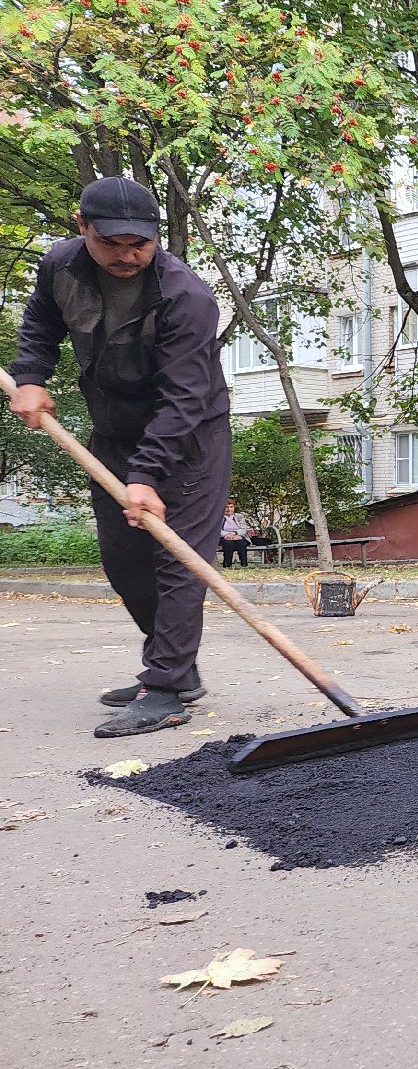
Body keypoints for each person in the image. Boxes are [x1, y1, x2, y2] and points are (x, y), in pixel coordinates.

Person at [6, 177, 229, 738]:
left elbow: (184, 397)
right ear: (83, 227)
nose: (128, 255)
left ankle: (165, 686)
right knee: (124, 561)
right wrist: (30, 379)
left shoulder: (186, 296)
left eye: (141, 243)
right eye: (113, 243)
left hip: (190, 437)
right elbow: (40, 323)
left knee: (177, 562)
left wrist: (148, 475)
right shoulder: (60, 266)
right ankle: (174, 664)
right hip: (113, 432)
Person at [220, 500, 249, 568]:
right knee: (229, 543)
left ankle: (244, 564)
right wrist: (228, 535)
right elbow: (217, 530)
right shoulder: (219, 517)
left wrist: (234, 533)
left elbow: (243, 529)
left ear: (234, 507)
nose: (229, 509)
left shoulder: (239, 516)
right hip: (224, 537)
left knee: (241, 542)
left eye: (231, 507)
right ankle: (227, 565)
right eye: (227, 507)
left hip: (238, 536)